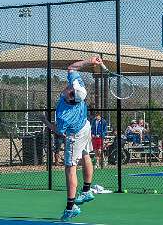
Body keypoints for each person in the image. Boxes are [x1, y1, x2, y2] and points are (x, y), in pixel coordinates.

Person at [53, 56, 103, 221]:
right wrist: (90, 61)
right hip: (85, 126)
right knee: (85, 154)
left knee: (70, 167)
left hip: (75, 133)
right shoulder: (77, 87)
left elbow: (59, 131)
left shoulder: (64, 115)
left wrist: (45, 121)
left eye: (71, 90)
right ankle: (87, 190)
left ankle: (70, 207)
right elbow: (72, 67)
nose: (69, 87)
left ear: (72, 97)